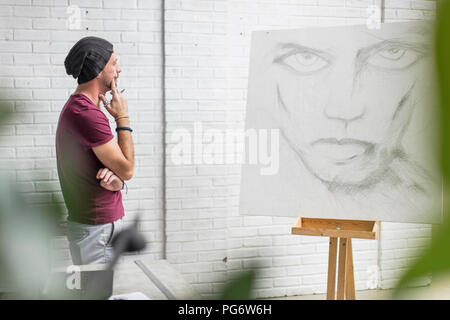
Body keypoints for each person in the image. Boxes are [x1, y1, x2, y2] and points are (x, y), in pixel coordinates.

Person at [55, 36, 135, 265]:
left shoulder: (84, 109)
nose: (119, 69)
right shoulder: (86, 114)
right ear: (99, 70)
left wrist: (118, 180)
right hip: (96, 230)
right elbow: (127, 169)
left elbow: (117, 173)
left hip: (96, 228)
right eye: (114, 63)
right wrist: (122, 116)